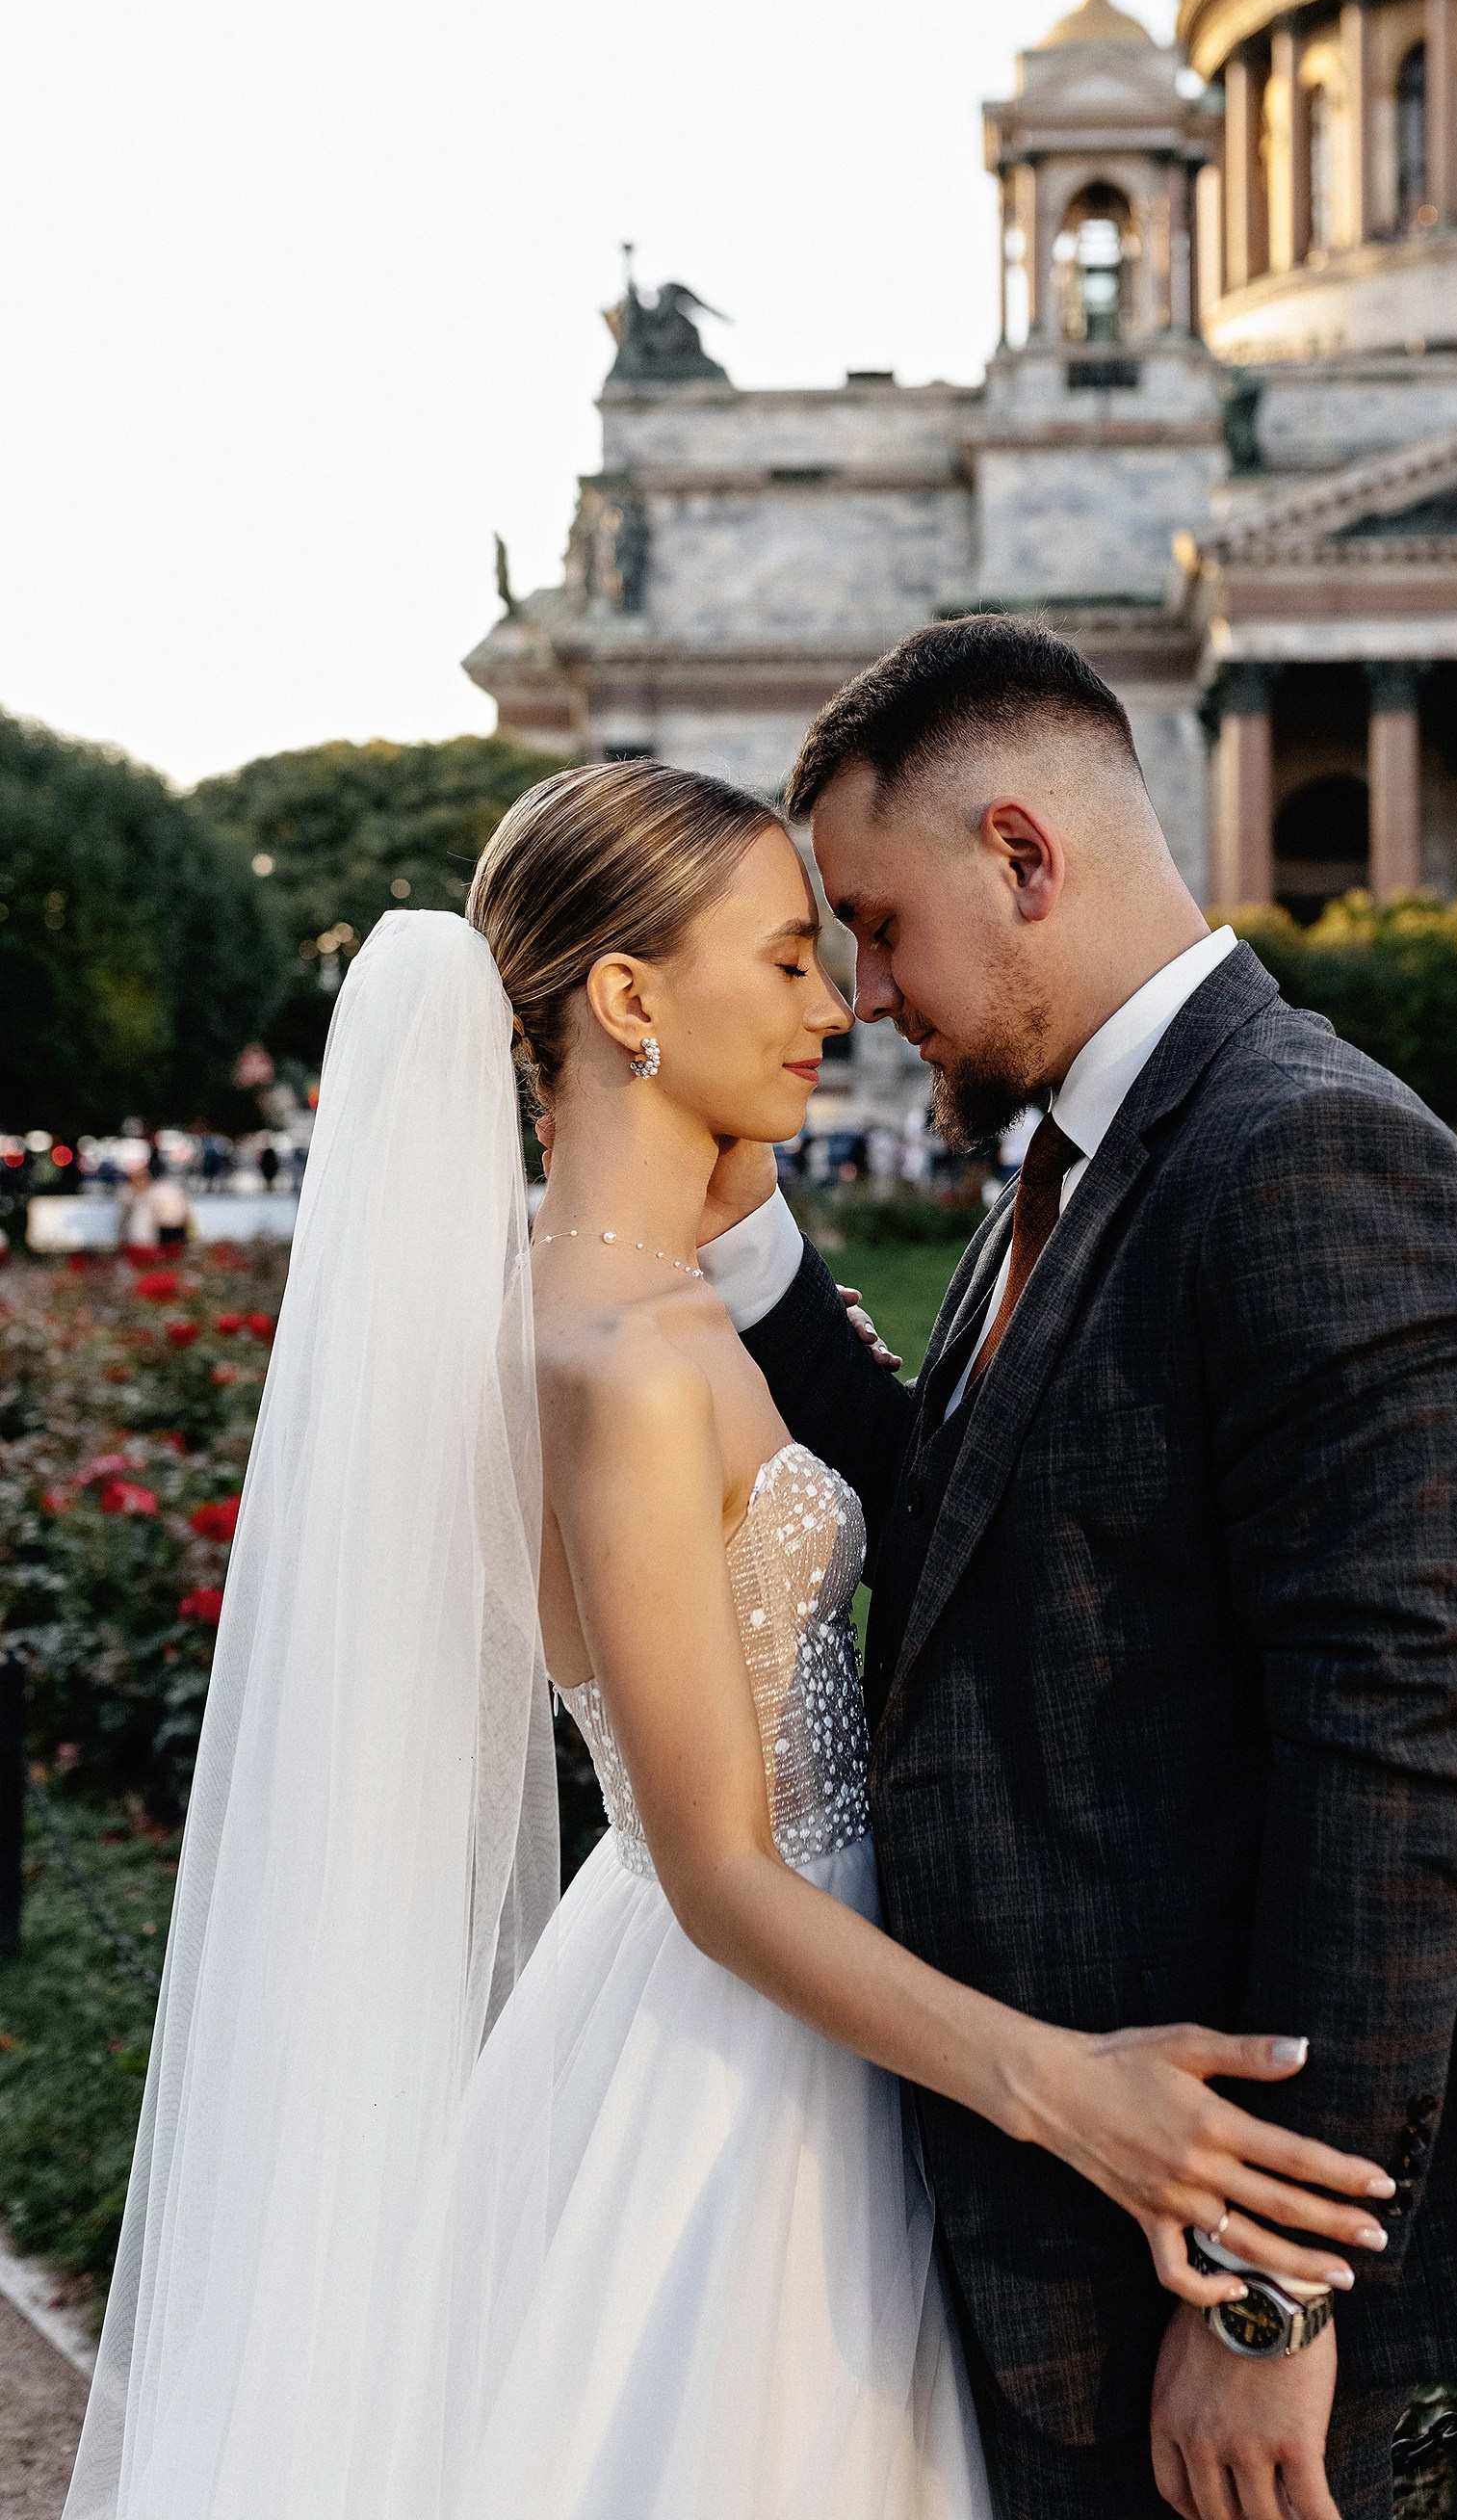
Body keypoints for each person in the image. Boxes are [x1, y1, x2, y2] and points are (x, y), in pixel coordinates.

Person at [65, 761, 1390, 2520]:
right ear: (628, 1001)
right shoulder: (615, 1362)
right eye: (782, 961)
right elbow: (711, 1869)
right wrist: (1067, 2092)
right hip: (752, 2040)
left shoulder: (644, 1307)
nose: (834, 1005)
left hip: (804, 1999)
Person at [697, 617, 1457, 2520]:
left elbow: (1399, 1760)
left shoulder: (1309, 1158)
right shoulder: (1078, 1156)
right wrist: (746, 1249)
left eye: (877, 921)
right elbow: (956, 1524)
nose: (859, 993)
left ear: (1023, 856)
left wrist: (1267, 2295)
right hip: (1081, 2215)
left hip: (1217, 2263)